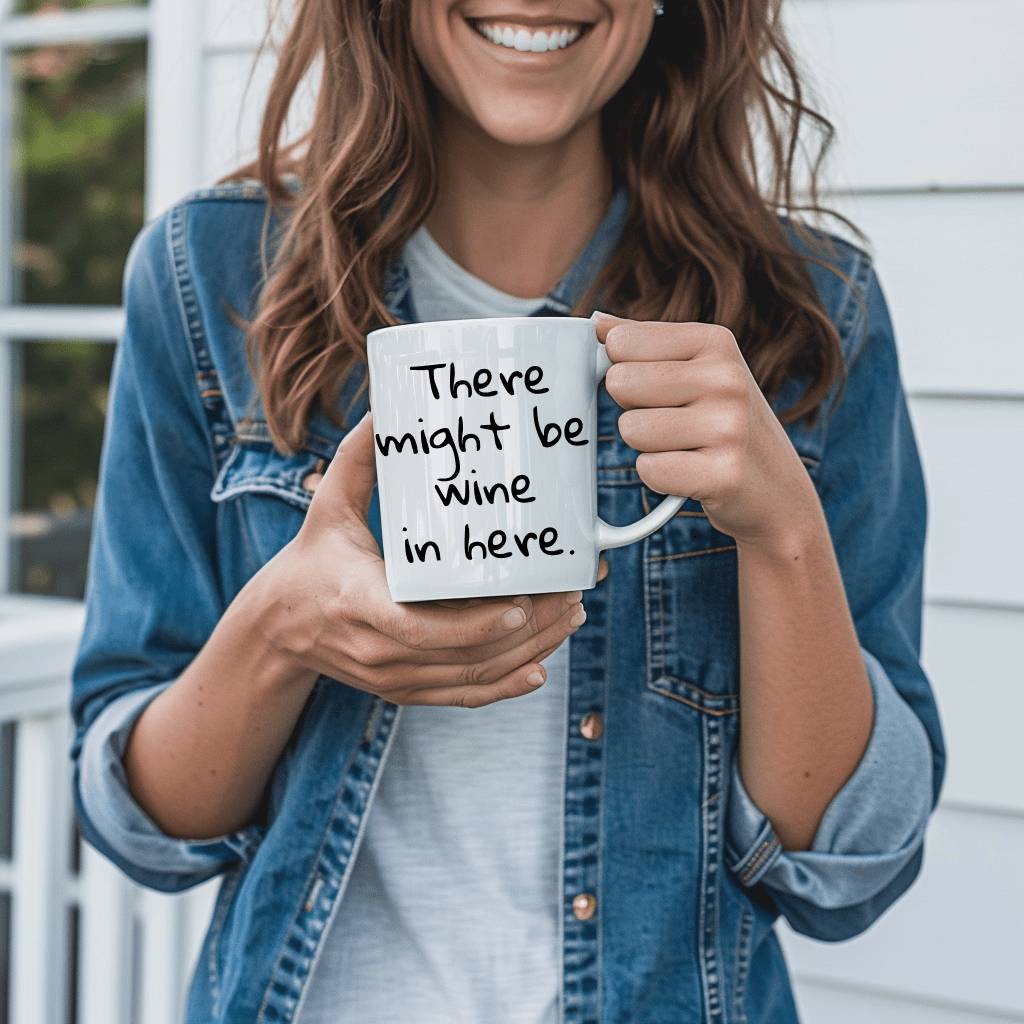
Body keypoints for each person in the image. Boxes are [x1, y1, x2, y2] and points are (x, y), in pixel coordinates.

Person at [70, 0, 944, 1020]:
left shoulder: (809, 307)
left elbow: (845, 871)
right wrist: (280, 633)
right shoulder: (207, 280)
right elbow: (142, 827)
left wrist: (781, 529)